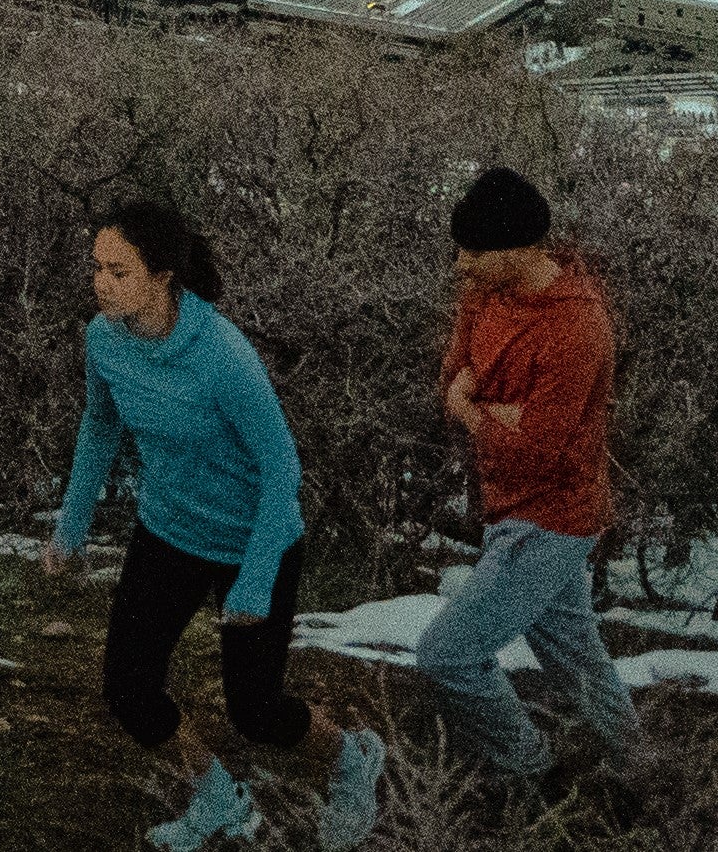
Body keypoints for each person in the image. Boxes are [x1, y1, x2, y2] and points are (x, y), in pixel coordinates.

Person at [44, 199, 387, 852]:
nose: (101, 283)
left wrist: (255, 579)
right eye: (96, 267)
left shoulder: (222, 354)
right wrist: (72, 525)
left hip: (254, 538)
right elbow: (100, 424)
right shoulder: (103, 339)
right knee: (128, 689)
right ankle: (218, 798)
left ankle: (351, 757)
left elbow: (282, 466)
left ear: (162, 274)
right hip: (168, 530)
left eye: (118, 271)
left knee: (255, 711)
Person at [408, 166, 636, 788]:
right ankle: (640, 769)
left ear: (518, 249)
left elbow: (535, 449)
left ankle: (532, 770)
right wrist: (495, 414)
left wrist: (473, 408)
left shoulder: (576, 327)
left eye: (474, 252)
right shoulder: (486, 293)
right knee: (572, 651)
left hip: (553, 516)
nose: (461, 264)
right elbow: (452, 380)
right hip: (510, 504)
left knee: (447, 654)